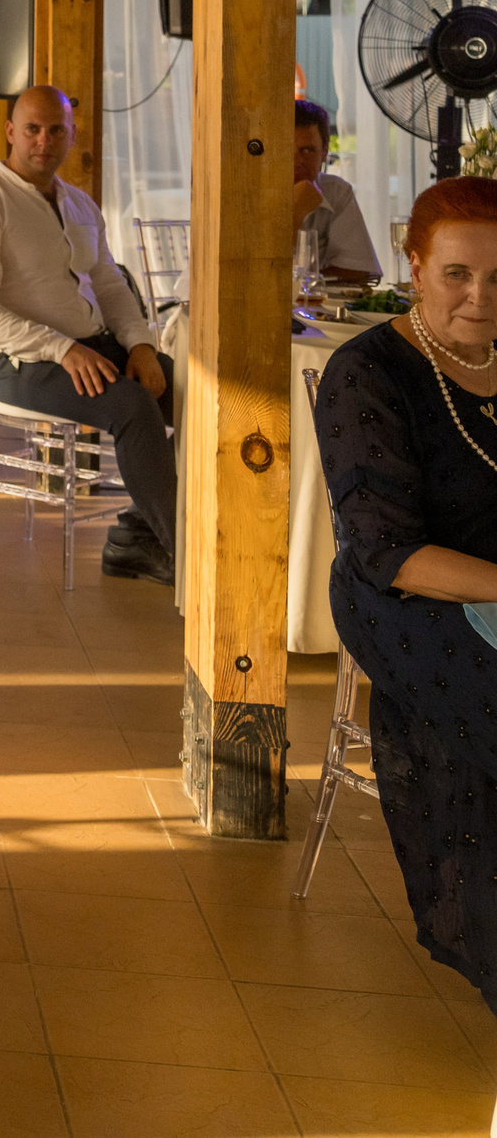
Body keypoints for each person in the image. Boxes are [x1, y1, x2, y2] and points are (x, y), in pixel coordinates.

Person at [314, 176, 497, 1074]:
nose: (479, 299)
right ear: (415, 266)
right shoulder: (370, 371)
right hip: (407, 595)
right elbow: (387, 551)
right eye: (457, 274)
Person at [0, 86, 174, 583]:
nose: (43, 140)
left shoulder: (80, 204)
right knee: (132, 407)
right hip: (19, 364)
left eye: (55, 130)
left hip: (94, 347)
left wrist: (141, 344)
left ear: (72, 134)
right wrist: (60, 348)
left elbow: (110, 286)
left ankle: (141, 533)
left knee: (198, 392)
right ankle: (191, 557)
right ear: (10, 132)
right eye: (31, 129)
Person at [292, 98, 380, 283]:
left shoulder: (336, 192)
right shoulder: (247, 192)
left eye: (307, 150)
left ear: (324, 152)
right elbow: (259, 268)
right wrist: (296, 212)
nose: (297, 161)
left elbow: (359, 270)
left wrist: (305, 281)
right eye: (287, 149)